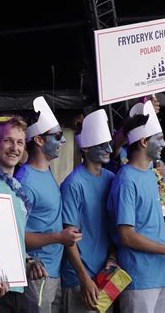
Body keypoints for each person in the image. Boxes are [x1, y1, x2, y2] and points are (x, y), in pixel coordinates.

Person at [107, 101, 165, 313]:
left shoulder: (150, 174)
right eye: (160, 139)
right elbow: (126, 236)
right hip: (139, 277)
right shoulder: (126, 179)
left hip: (163, 274)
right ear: (144, 141)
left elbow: (156, 220)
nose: (164, 144)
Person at [15, 97, 82, 313]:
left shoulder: (47, 172)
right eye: (57, 136)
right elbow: (18, 235)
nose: (62, 142)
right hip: (37, 273)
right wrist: (58, 237)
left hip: (53, 272)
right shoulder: (25, 180)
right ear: (39, 140)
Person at [0, 115, 46, 313]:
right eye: (7, 141)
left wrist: (28, 262)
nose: (15, 148)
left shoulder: (17, 186)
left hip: (19, 284)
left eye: (20, 142)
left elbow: (15, 239)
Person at [60, 109, 117, 312]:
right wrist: (84, 279)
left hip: (106, 274)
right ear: (85, 148)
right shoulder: (73, 184)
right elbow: (68, 238)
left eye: (109, 143)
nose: (108, 148)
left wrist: (111, 258)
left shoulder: (111, 178)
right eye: (102, 144)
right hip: (79, 278)